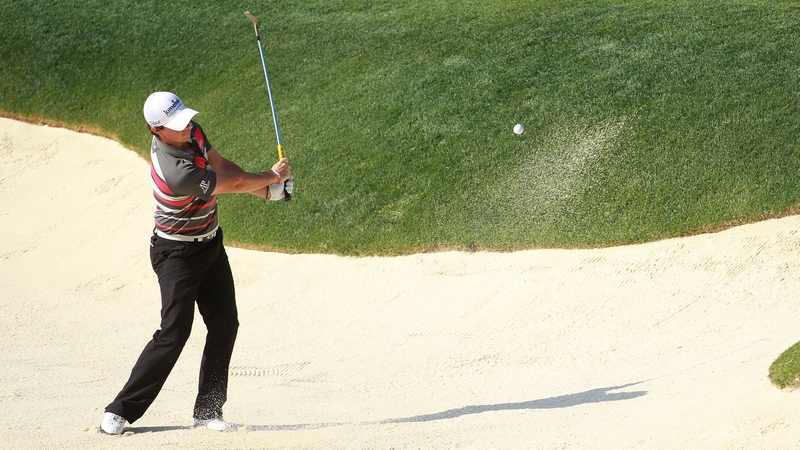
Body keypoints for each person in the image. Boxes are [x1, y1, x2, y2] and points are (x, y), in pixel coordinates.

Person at [100, 92, 292, 434]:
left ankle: (208, 410)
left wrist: (266, 189)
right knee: (174, 333)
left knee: (225, 323)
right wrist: (271, 177)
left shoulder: (192, 133)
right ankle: (120, 410)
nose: (186, 125)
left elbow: (222, 166)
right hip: (176, 254)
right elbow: (228, 184)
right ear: (156, 130)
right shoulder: (176, 171)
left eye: (185, 117)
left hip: (210, 245)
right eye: (176, 124)